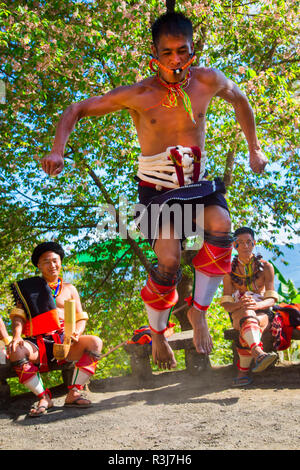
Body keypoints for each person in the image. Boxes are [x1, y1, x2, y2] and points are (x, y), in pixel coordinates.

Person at [41, 4, 268, 370]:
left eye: (183, 52)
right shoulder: (139, 93)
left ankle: (199, 313)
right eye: (167, 53)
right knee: (168, 261)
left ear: (193, 52)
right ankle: (158, 333)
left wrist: (254, 147)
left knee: (222, 226)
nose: (176, 60)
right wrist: (57, 151)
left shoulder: (208, 81)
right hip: (158, 193)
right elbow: (77, 109)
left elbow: (240, 100)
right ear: (155, 56)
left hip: (197, 186)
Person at [7, 241, 103, 417]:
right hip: (37, 342)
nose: (52, 265)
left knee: (95, 342)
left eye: (55, 260)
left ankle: (73, 393)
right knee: (15, 351)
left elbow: (81, 317)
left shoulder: (70, 289)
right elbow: (18, 316)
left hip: (65, 340)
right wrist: (17, 336)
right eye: (46, 261)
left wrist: (77, 333)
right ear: (39, 265)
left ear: (60, 262)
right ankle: (44, 397)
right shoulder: (29, 289)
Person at [220, 227, 278, 386]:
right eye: (240, 243)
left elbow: (272, 299)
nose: (245, 246)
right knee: (246, 314)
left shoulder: (266, 267)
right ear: (234, 246)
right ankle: (258, 353)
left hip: (263, 311)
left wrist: (257, 304)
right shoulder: (228, 272)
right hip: (238, 311)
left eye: (248, 242)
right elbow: (226, 304)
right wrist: (240, 304)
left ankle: (243, 373)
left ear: (254, 244)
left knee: (249, 322)